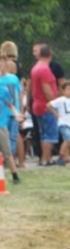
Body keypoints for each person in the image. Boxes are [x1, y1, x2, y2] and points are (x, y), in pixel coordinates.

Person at [30, 45, 60, 166]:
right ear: (50, 55)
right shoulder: (44, 69)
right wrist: (54, 106)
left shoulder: (35, 68)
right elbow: (46, 89)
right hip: (46, 106)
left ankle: (44, 158)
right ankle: (46, 159)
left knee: (43, 133)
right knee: (50, 134)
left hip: (38, 104)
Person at [0, 54, 22, 183]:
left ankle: (15, 176)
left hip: (1, 123)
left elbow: (10, 104)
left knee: (7, 151)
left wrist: (16, 113)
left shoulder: (3, 89)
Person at [47, 80, 70, 165]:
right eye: (68, 89)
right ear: (63, 91)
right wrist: (56, 114)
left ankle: (66, 157)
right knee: (67, 138)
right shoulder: (60, 100)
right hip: (63, 123)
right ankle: (61, 156)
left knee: (69, 141)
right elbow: (49, 105)